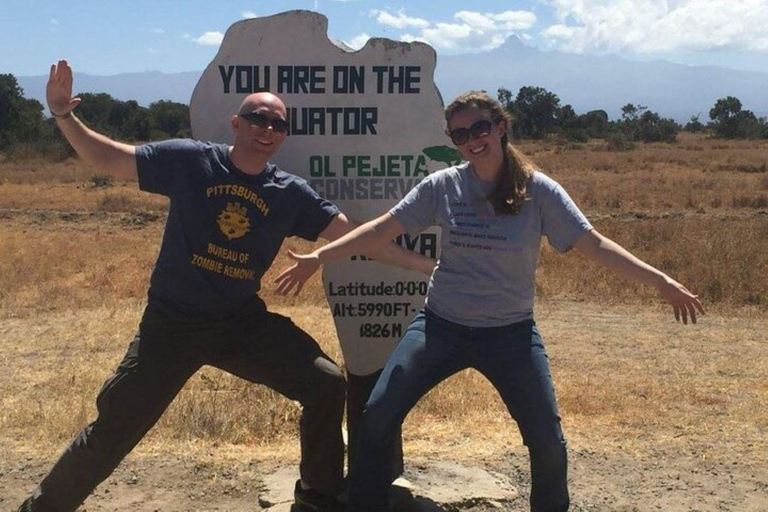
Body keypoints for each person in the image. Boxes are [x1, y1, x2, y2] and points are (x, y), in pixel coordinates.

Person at [18, 60, 433, 512]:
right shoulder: (192, 161)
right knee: (115, 426)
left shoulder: (288, 192)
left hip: (240, 324)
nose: (267, 128)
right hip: (172, 325)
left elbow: (356, 236)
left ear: (283, 135)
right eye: (258, 117)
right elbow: (112, 158)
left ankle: (318, 495)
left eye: (277, 123)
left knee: (326, 384)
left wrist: (426, 266)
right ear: (236, 123)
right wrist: (64, 116)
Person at [275, 90, 705, 512]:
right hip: (440, 327)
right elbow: (379, 230)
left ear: (500, 127)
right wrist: (319, 256)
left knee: (547, 441)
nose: (472, 139)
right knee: (377, 415)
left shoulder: (540, 191)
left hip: (511, 335)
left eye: (480, 127)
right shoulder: (443, 186)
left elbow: (593, 244)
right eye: (460, 134)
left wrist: (661, 281)